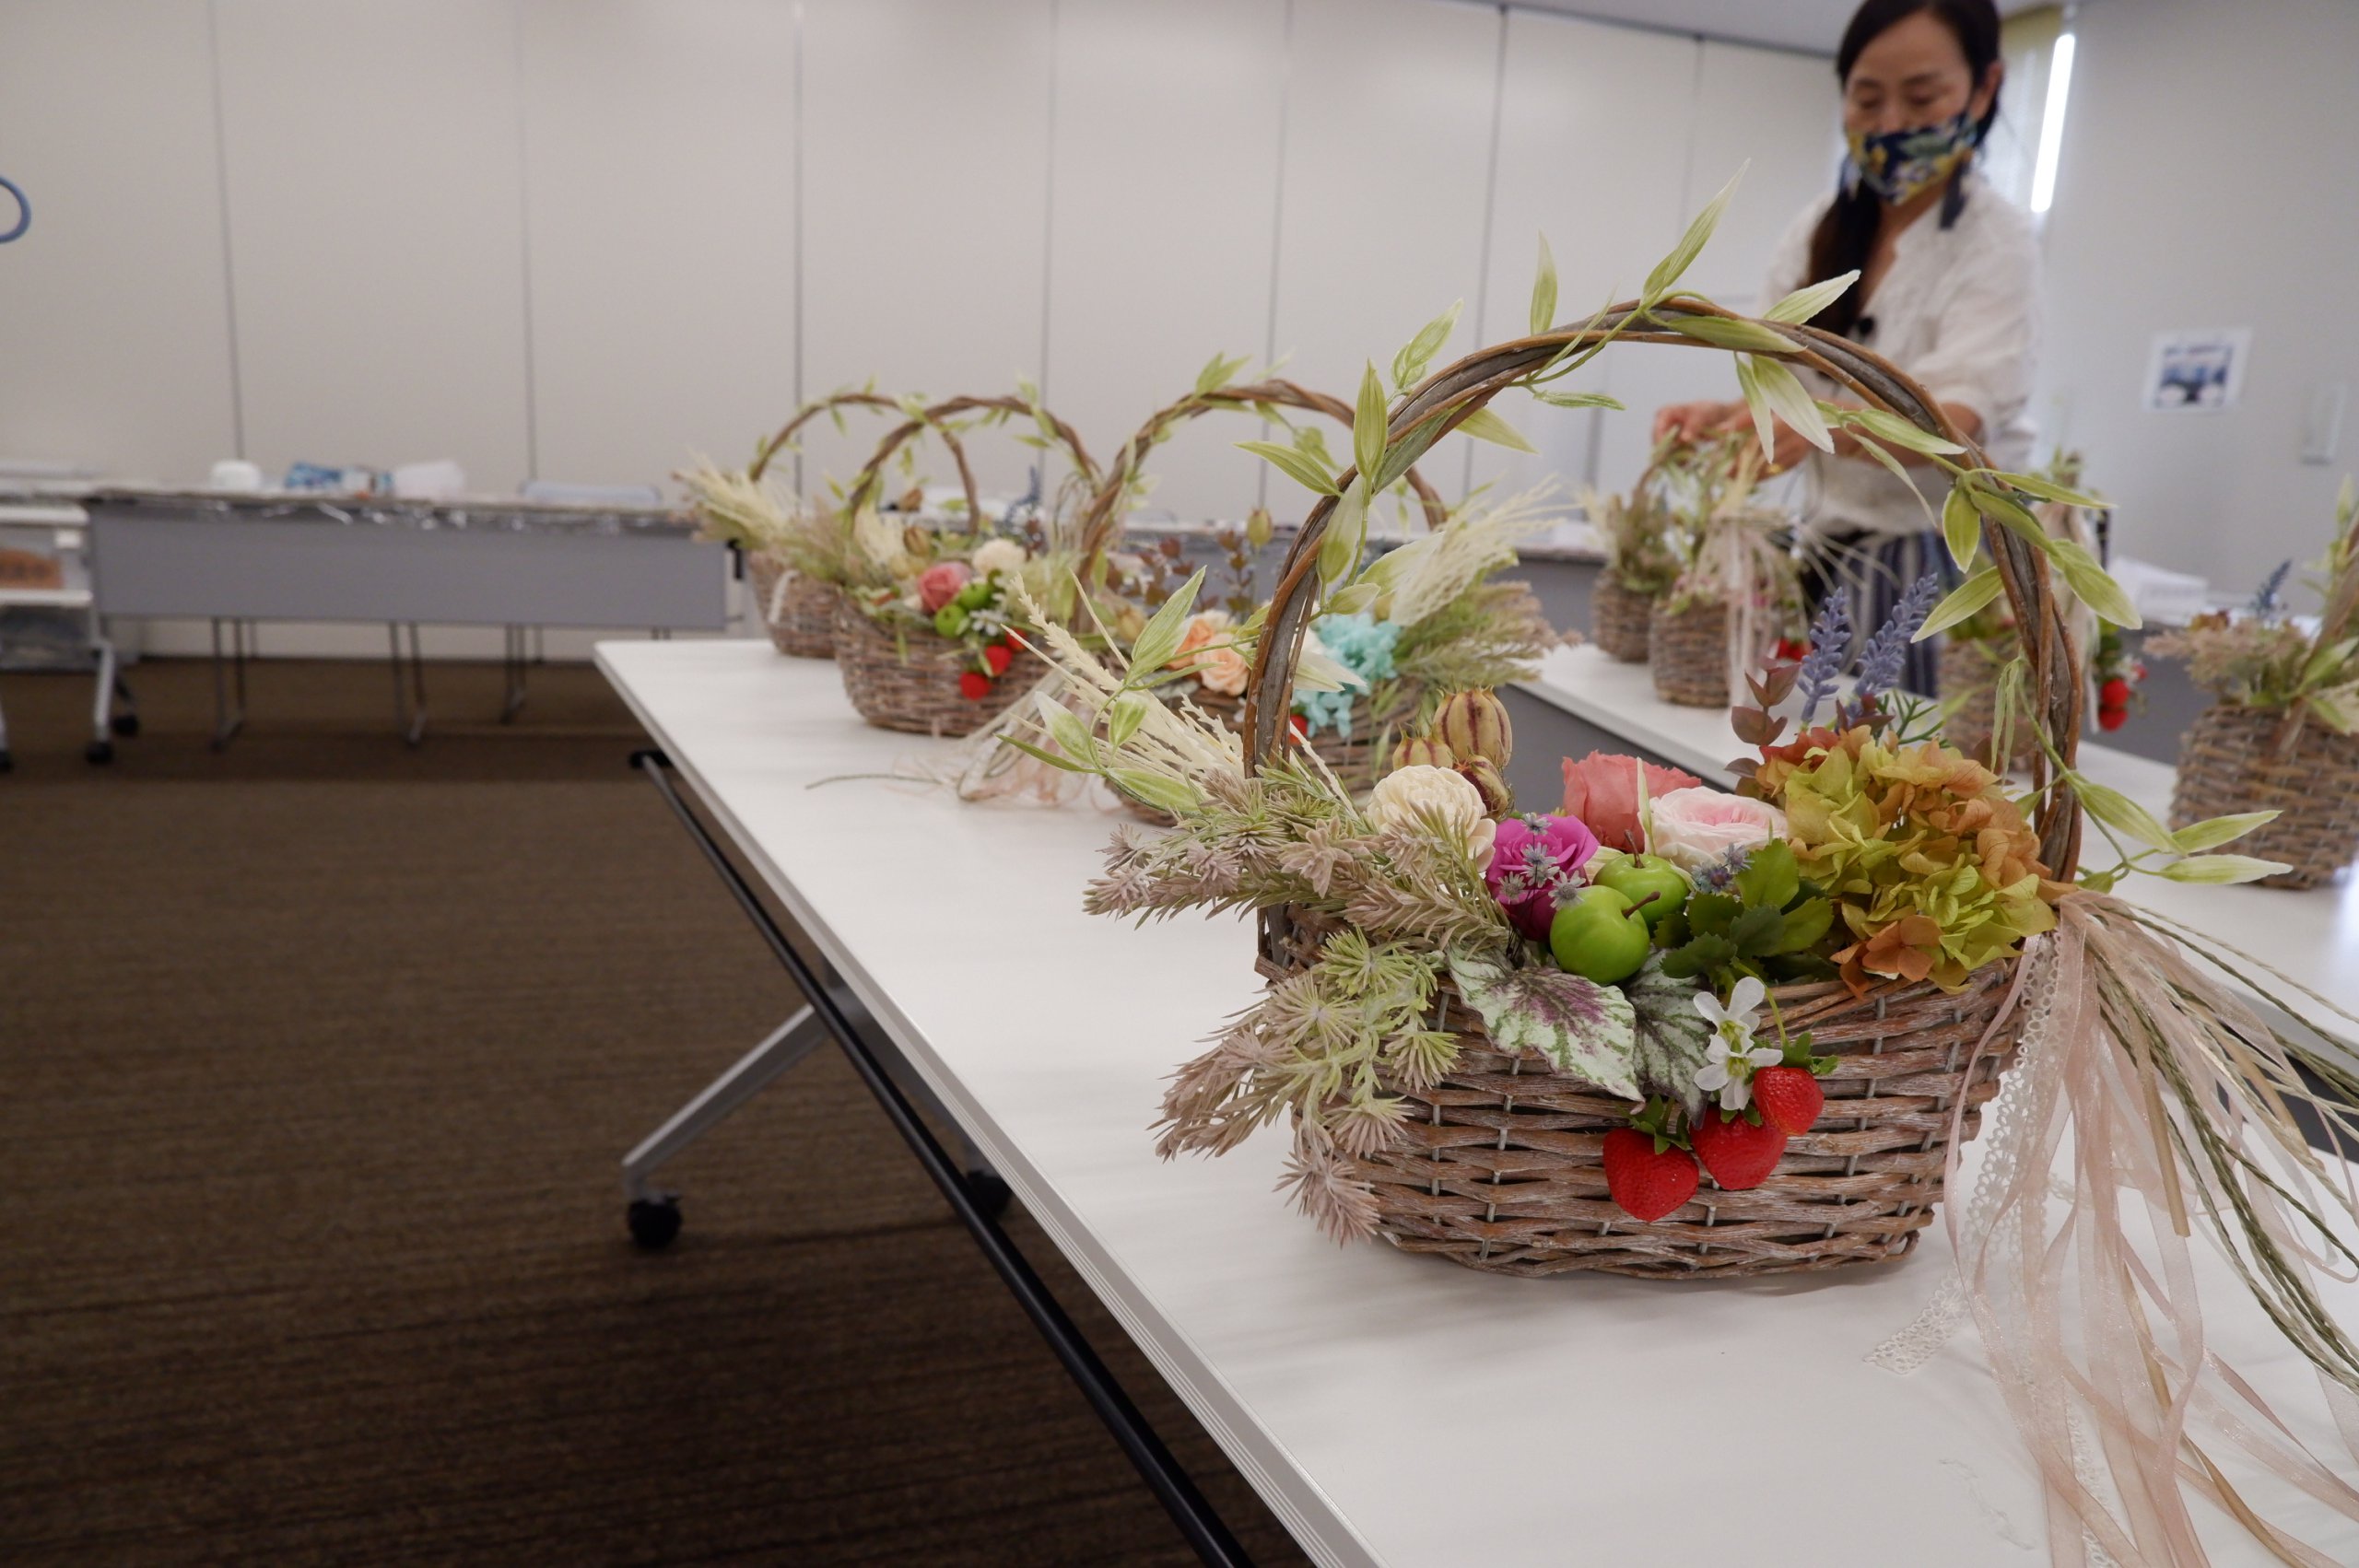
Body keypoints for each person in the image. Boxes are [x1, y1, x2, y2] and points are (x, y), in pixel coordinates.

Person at [1654, 0, 2037, 695]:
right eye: (1866, 99)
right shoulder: (1819, 231)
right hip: (1829, 558)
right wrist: (1727, 421)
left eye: (1921, 97)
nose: (1890, 124)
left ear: (1984, 88)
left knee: (1909, 749)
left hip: (1940, 572)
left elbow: (1956, 421)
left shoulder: (1995, 243)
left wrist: (1828, 425)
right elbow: (1790, 388)